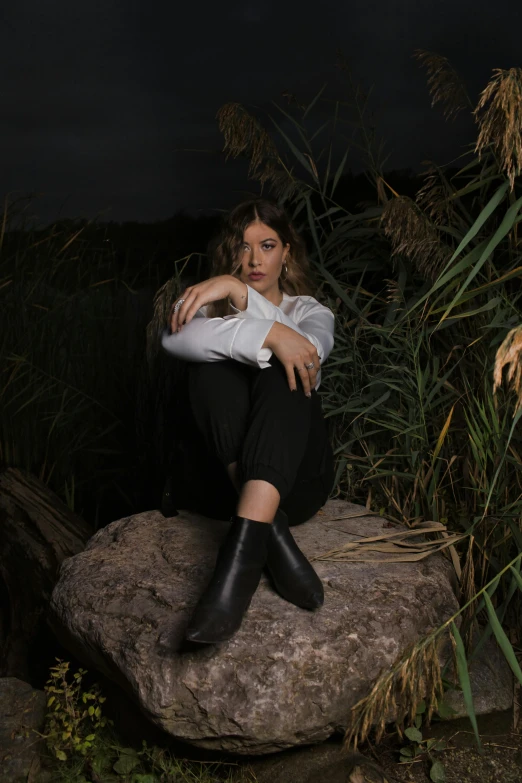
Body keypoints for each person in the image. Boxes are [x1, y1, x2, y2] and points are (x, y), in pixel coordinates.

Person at [161, 198, 335, 644]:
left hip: (297, 485)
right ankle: (266, 538)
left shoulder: (312, 312)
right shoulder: (204, 306)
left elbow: (308, 353)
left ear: (287, 252)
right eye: (243, 247)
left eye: (268, 245)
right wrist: (266, 332)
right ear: (229, 251)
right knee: (208, 369)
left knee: (290, 365)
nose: (254, 260)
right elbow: (174, 340)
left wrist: (242, 295)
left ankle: (231, 579)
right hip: (222, 487)